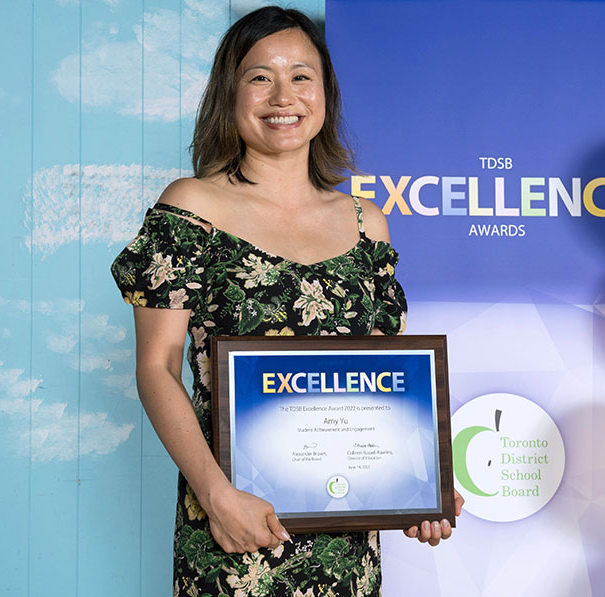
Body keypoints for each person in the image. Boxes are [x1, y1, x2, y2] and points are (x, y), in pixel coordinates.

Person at [111, 6, 462, 596]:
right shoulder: (191, 207)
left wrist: (424, 484)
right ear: (230, 94)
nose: (283, 96)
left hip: (347, 549)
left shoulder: (366, 222)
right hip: (234, 533)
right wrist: (216, 496)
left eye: (301, 76)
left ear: (325, 93)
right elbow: (157, 367)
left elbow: (389, 381)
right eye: (260, 77)